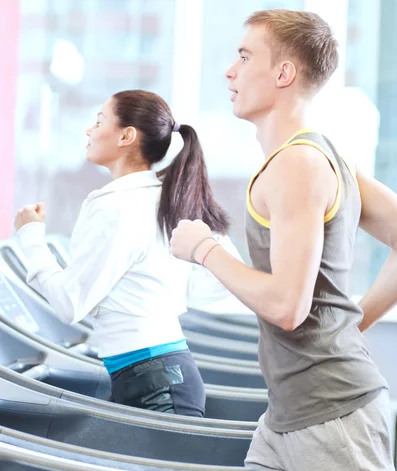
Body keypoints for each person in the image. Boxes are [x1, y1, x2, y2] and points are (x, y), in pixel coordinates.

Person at [170, 9, 397, 471]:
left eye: (245, 56)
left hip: (332, 416)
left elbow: (288, 307)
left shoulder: (298, 164)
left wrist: (205, 251)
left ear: (285, 73)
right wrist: (356, 319)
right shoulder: (318, 158)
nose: (230, 70)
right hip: (287, 417)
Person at [14, 89, 240, 418]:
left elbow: (68, 303)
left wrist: (31, 236)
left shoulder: (115, 206)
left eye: (99, 121)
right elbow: (222, 277)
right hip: (162, 374)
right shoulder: (166, 195)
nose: (88, 130)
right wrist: (167, 294)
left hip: (155, 385)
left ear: (126, 136)